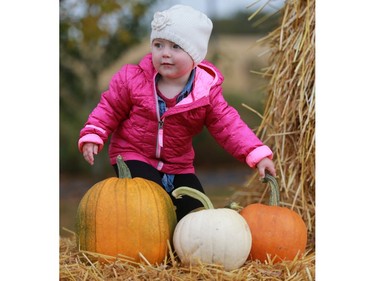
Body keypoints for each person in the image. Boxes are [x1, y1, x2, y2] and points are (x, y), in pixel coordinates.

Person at [78, 4, 276, 221]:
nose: (165, 53)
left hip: (179, 166)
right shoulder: (132, 79)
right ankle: (150, 246)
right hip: (133, 156)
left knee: (197, 213)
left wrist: (256, 154)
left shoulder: (204, 93)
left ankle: (179, 247)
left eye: (175, 47)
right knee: (150, 203)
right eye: (158, 44)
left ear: (195, 55)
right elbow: (109, 107)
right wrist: (94, 133)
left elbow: (228, 125)